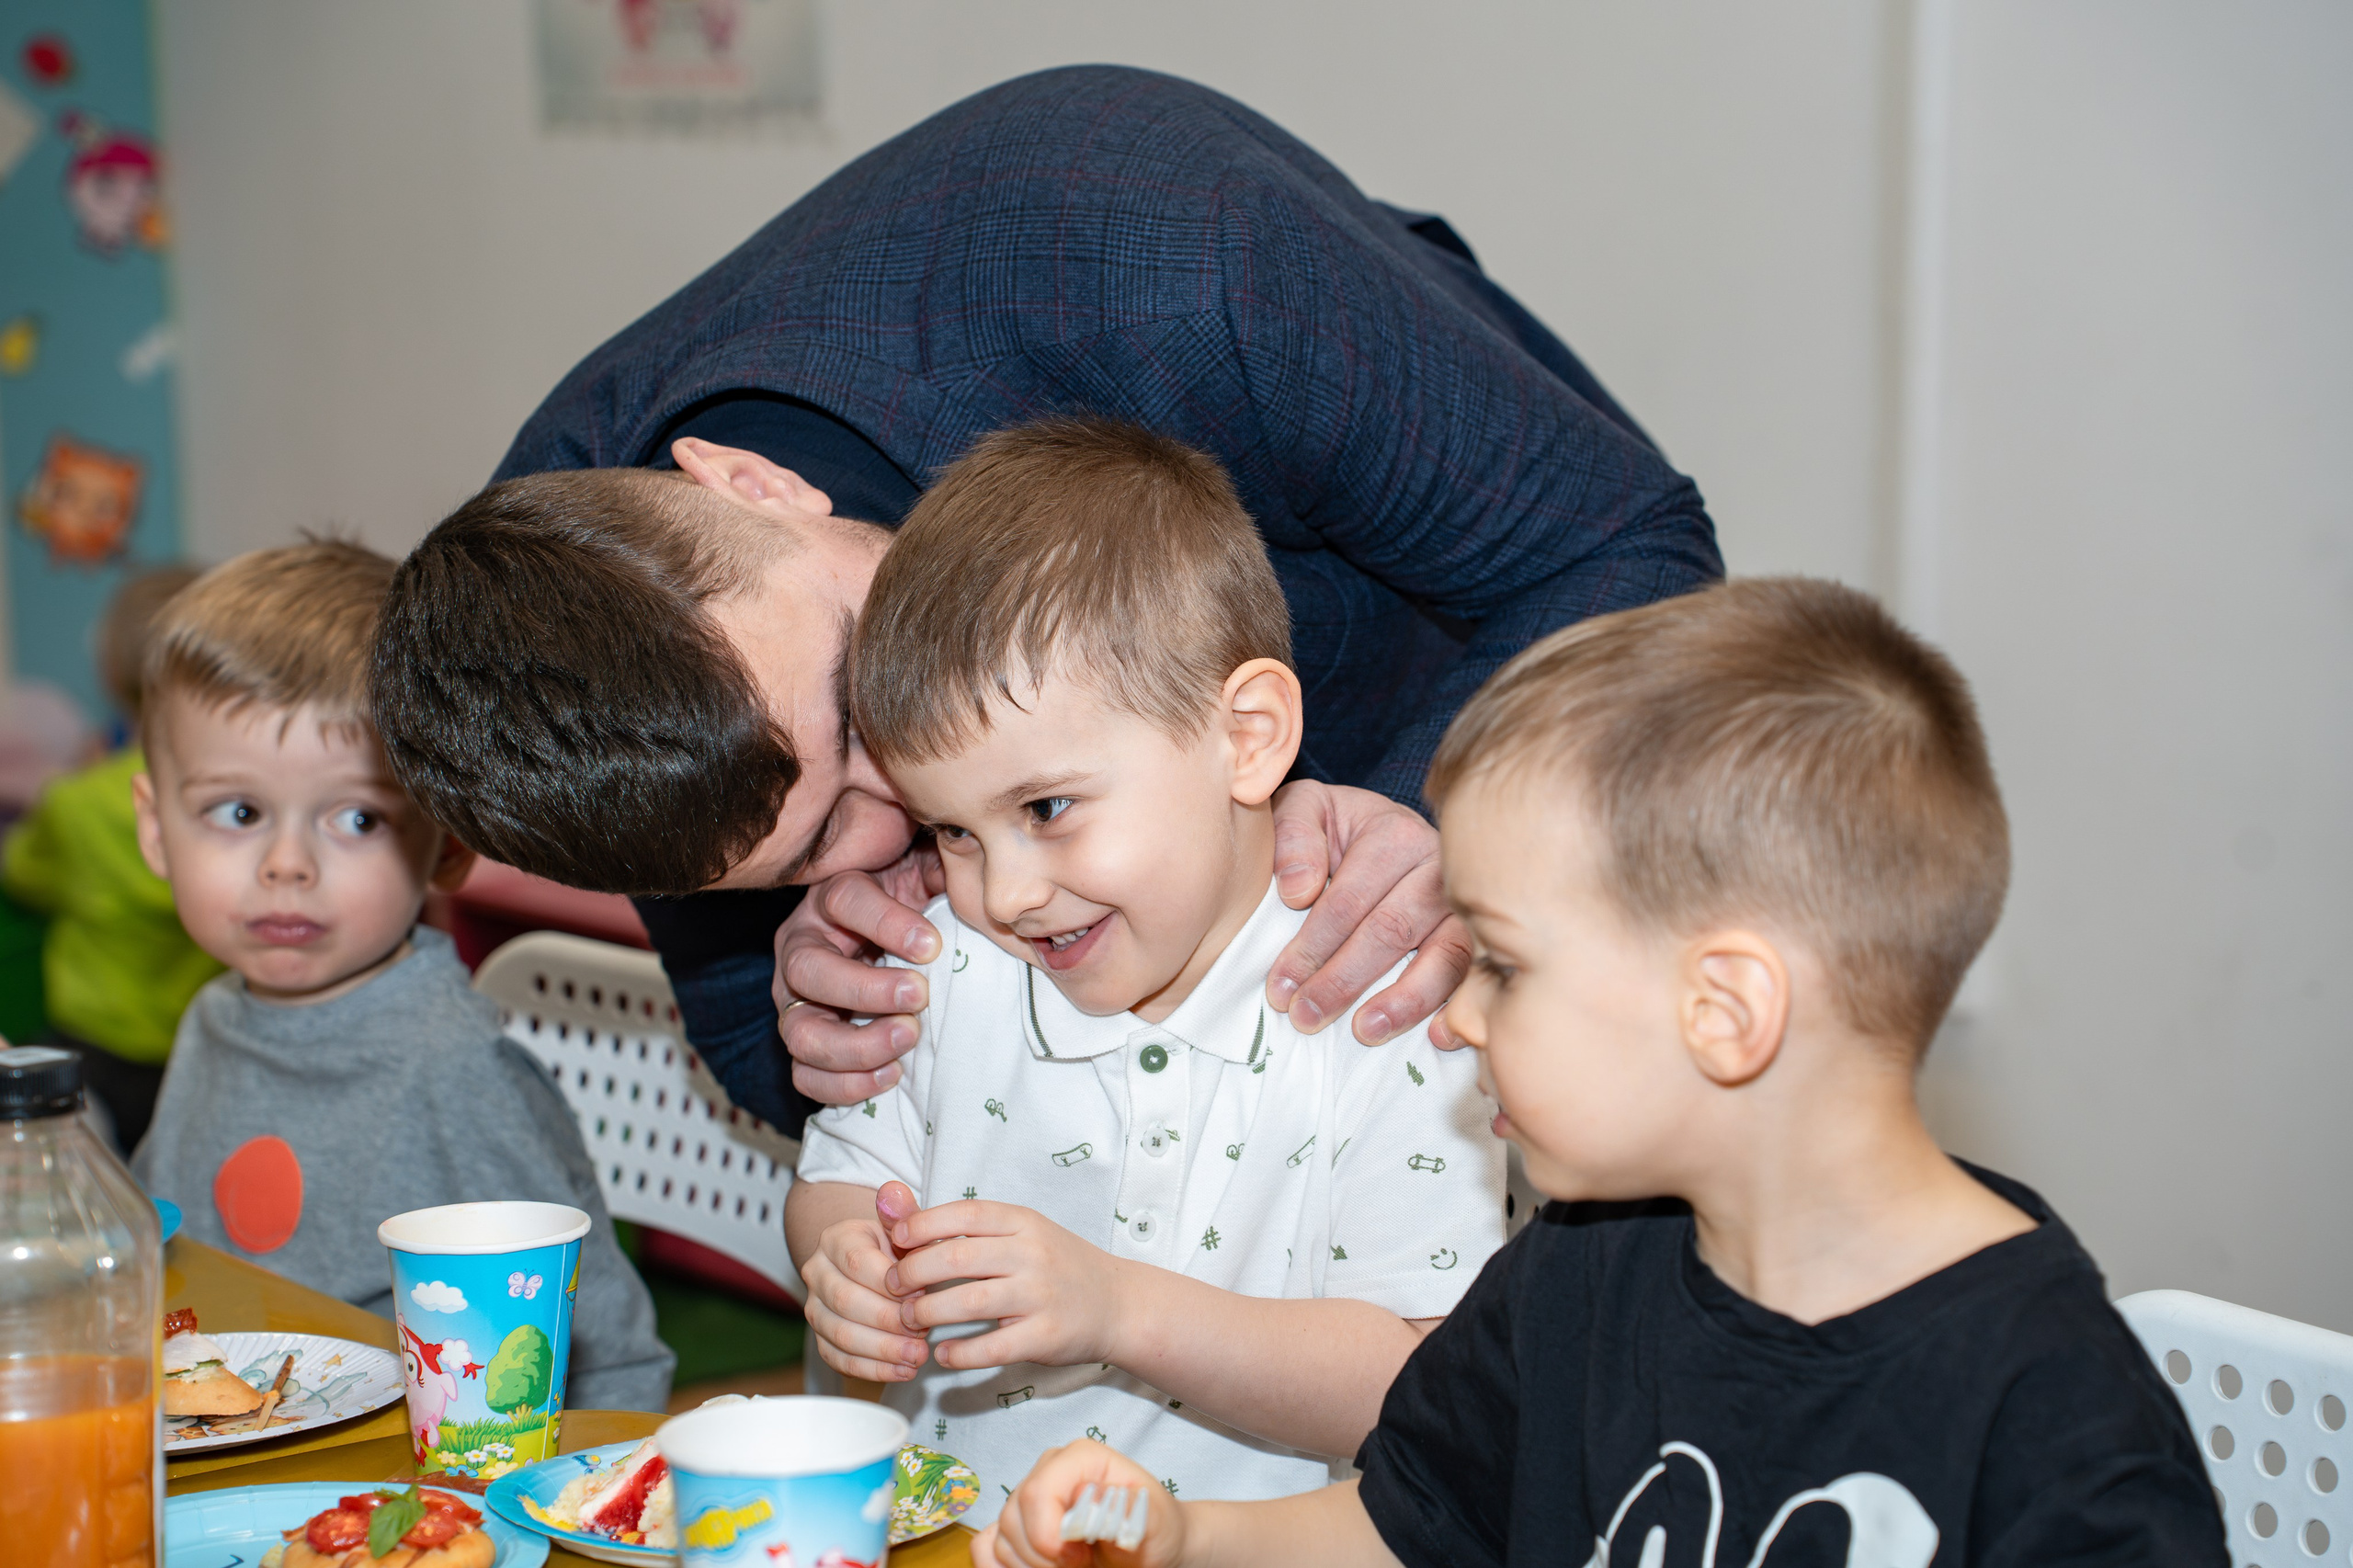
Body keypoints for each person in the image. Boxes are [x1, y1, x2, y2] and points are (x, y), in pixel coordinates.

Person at [367, 65, 1723, 1135]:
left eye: (852, 706)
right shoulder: (544, 649)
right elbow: (746, 1030)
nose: (900, 810)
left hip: (1441, 702)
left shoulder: (1178, 258)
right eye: (808, 847)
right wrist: (817, 1024)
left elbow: (1634, 555)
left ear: (747, 483)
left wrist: (1446, 814)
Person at [980, 579, 2227, 1567]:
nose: (1457, 1017)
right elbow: (1407, 1526)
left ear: (1724, 1011)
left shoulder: (2052, 1416)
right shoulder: (1584, 1260)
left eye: (1505, 965)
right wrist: (1182, 1535)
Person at [789, 420, 1503, 1522]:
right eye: (954, 832)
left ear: (1249, 736)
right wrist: (841, 1255)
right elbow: (840, 1174)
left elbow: (1418, 1385)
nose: (1007, 892)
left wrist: (1119, 1308)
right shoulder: (952, 961)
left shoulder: (1393, 1013)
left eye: (1045, 808)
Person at [129, 540, 674, 1413]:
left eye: (355, 818)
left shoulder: (454, 1067)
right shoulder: (210, 1020)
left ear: (448, 846)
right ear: (157, 832)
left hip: (408, 1477)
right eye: (239, 812)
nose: (287, 865)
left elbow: (598, 1343)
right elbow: (158, 1250)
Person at [2, 564, 222, 1153]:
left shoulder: (75, 802)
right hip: (197, 1043)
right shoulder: (230, 806)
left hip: (90, 1050)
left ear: (110, 673)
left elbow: (23, 874)